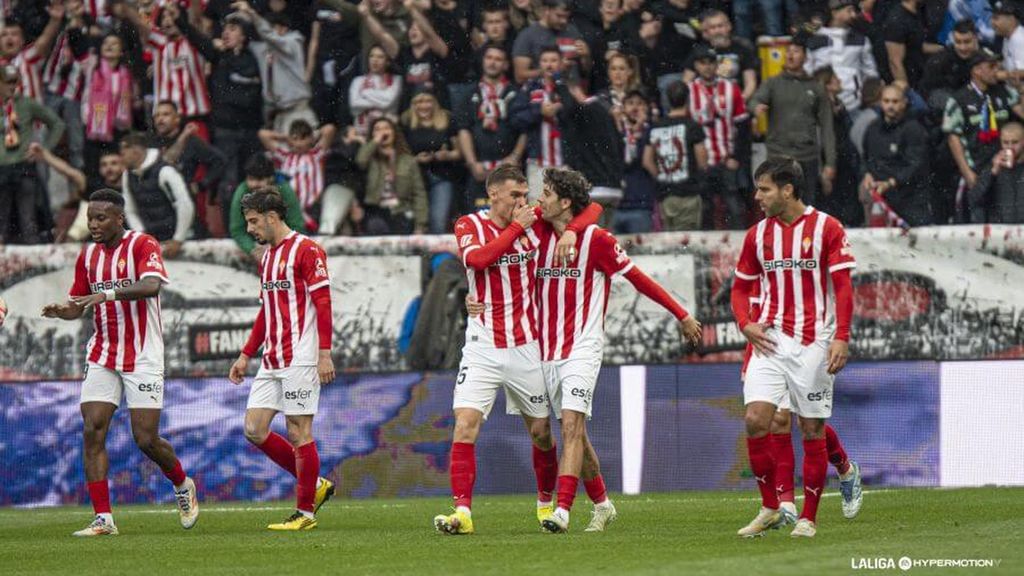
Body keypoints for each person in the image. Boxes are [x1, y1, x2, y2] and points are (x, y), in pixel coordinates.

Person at [530, 167, 702, 534]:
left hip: (582, 346)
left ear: (564, 202)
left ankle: (561, 511)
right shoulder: (537, 234)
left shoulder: (598, 241)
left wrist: (682, 314)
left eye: (545, 193)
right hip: (543, 350)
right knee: (573, 432)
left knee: (572, 425)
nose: (538, 199)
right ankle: (603, 505)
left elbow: (639, 279)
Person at [433, 164, 599, 535]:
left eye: (525, 195)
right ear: (493, 194)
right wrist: (517, 228)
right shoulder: (469, 225)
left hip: (527, 345)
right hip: (483, 346)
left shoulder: (531, 220)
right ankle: (462, 513)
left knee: (541, 432)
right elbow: (477, 260)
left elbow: (592, 209)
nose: (523, 203)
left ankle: (544, 505)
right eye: (515, 196)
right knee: (465, 425)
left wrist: (571, 231)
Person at [41, 188, 199, 537]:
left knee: (145, 439)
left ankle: (182, 483)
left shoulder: (143, 245)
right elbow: (78, 303)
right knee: (92, 429)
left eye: (101, 218)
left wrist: (107, 293)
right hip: (103, 352)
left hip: (143, 353)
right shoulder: (88, 256)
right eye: (90, 219)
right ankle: (104, 519)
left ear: (119, 218)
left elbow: (152, 286)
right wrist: (62, 312)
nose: (94, 225)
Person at [731, 157, 856, 538]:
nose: (758, 197)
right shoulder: (757, 235)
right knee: (756, 419)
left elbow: (843, 287)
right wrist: (745, 323)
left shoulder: (827, 228)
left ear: (787, 190)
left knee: (811, 426)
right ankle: (771, 506)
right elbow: (739, 287)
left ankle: (808, 518)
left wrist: (841, 337)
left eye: (764, 189)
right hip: (769, 339)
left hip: (814, 340)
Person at [228, 188, 337, 531]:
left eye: (254, 221)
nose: (250, 229)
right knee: (254, 429)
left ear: (273, 217)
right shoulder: (268, 257)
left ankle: (304, 513)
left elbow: (323, 303)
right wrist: (246, 354)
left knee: (298, 431)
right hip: (272, 359)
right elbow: (267, 312)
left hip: (301, 357)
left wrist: (324, 353)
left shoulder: (307, 250)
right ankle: (315, 484)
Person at [738, 283, 863, 527]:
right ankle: (786, 505)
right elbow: (750, 316)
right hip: (770, 348)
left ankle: (845, 469)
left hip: (809, 345)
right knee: (778, 419)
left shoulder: (808, 267)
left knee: (807, 422)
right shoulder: (759, 266)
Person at [750, 36, 836, 208]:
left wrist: (830, 162)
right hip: (778, 155)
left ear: (805, 57)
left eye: (796, 51)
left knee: (806, 205)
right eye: (788, 51)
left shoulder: (816, 87)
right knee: (777, 204)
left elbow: (827, 126)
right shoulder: (772, 83)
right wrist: (756, 107)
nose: (790, 55)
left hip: (807, 156)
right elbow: (755, 99)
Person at [942, 48, 1024, 222]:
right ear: (977, 70)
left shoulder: (1004, 92)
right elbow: (952, 137)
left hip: (1003, 169)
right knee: (979, 219)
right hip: (977, 170)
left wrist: (1020, 89)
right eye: (992, 66)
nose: (997, 70)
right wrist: (967, 172)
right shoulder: (959, 99)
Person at [0, 64, 65, 245]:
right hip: (1, 168)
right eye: (7, 82)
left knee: (28, 218)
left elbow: (57, 124)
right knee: (1, 220)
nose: (11, 86)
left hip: (23, 165)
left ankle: (34, 265)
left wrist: (45, 150)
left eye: (14, 82)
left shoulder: (26, 104)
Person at [455, 44, 525, 209]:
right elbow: (463, 129)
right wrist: (472, 163)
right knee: (478, 220)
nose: (492, 63)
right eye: (489, 58)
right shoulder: (469, 93)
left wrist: (515, 157)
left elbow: (525, 129)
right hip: (479, 170)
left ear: (506, 65)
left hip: (509, 169)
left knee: (512, 220)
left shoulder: (516, 93)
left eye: (498, 59)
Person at [688, 45, 748, 230]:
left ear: (717, 64)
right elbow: (686, 130)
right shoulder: (689, 91)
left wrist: (736, 157)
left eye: (711, 62)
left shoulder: (731, 88)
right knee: (704, 209)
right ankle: (704, 257)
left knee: (735, 208)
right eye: (702, 63)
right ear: (696, 66)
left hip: (726, 158)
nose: (707, 67)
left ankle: (741, 253)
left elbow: (743, 126)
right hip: (703, 162)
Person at [258, 119, 348, 234]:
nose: (299, 143)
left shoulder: (316, 154)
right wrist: (285, 137)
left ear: (310, 139)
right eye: (295, 139)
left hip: (313, 208)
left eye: (303, 138)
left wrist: (314, 136)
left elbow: (330, 129)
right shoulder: (284, 156)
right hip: (290, 209)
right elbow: (263, 134)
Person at [861, 84, 931, 226]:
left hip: (910, 199)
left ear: (904, 103)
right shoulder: (872, 128)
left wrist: (892, 182)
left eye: (895, 101)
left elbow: (916, 164)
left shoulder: (914, 129)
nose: (890, 106)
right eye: (886, 101)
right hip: (881, 198)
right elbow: (865, 157)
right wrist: (866, 173)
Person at [119, 132, 194, 259]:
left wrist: (178, 239)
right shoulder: (127, 176)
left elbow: (185, 205)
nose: (121, 158)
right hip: (152, 240)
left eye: (123, 153)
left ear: (135, 151)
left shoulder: (165, 171)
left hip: (177, 240)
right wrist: (141, 235)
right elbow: (130, 210)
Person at [643, 81, 707, 231]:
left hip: (665, 196)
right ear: (688, 99)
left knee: (669, 243)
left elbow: (647, 161)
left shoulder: (655, 127)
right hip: (688, 194)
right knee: (687, 242)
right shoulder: (692, 126)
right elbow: (702, 161)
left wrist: (661, 176)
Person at [401, 88, 462, 234]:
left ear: (435, 102)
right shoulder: (406, 121)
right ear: (413, 104)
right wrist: (415, 159)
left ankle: (436, 256)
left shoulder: (447, 119)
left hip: (441, 176)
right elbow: (400, 155)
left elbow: (458, 153)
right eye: (419, 102)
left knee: (438, 222)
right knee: (413, 222)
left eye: (428, 101)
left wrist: (446, 155)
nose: (424, 105)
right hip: (414, 179)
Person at [354, 116, 428, 235]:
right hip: (376, 211)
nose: (382, 132)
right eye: (377, 129)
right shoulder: (370, 158)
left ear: (394, 132)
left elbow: (419, 193)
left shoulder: (408, 161)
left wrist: (420, 225)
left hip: (401, 210)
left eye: (386, 128)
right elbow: (360, 160)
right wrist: (375, 141)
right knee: (375, 227)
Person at [510, 46, 566, 201]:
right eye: (545, 61)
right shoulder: (530, 88)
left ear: (561, 63)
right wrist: (538, 111)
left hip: (566, 163)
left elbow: (578, 117)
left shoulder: (568, 87)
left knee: (566, 213)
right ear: (539, 64)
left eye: (553, 60)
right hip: (537, 163)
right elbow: (515, 119)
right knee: (537, 210)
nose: (549, 65)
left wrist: (562, 109)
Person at [229, 153, 306, 262]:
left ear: (271, 179)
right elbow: (237, 229)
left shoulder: (284, 191)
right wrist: (252, 249)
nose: (254, 184)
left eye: (259, 180)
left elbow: (297, 226)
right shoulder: (242, 192)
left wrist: (278, 246)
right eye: (251, 179)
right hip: (255, 244)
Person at [804, 0, 879, 113]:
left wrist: (869, 95)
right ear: (834, 13)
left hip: (854, 103)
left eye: (854, 10)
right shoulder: (814, 41)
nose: (853, 15)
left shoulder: (861, 40)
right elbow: (807, 71)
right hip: (821, 103)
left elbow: (870, 72)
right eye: (849, 10)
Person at [511, 0, 591, 85]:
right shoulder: (527, 35)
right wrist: (553, 70)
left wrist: (586, 56)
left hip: (574, 91)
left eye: (566, 17)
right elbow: (520, 77)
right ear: (547, 10)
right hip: (543, 94)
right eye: (559, 16)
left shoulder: (572, 31)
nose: (563, 21)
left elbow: (586, 71)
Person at [968, 122, 1024, 223]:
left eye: (1015, 142)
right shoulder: (993, 167)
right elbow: (975, 200)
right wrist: (993, 173)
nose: (1010, 147)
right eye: (1006, 142)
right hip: (1000, 232)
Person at [349, 44, 403, 137]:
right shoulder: (358, 81)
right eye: (372, 56)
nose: (375, 60)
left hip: (388, 131)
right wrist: (382, 100)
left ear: (388, 62)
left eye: (380, 57)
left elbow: (389, 102)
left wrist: (365, 93)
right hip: (362, 133)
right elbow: (354, 105)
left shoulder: (397, 80)